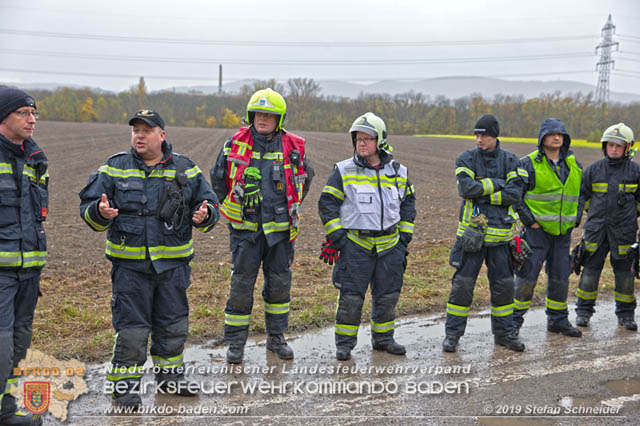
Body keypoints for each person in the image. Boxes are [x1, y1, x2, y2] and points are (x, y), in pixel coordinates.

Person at [79, 109, 219, 409]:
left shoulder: (186, 169)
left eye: (146, 130)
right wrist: (100, 213)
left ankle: (171, 379)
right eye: (135, 130)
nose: (139, 136)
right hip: (130, 269)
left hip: (173, 268)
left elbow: (210, 206)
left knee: (173, 325)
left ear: (162, 135)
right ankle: (124, 388)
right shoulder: (114, 168)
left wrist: (204, 216)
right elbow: (88, 209)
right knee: (132, 330)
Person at [210, 88, 313, 364]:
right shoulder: (235, 142)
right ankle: (235, 344)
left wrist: (287, 204)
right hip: (246, 229)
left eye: (269, 114)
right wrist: (232, 204)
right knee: (241, 286)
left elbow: (306, 178)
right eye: (258, 113)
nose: (263, 119)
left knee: (279, 287)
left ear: (279, 118)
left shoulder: (294, 145)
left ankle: (276, 338)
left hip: (280, 230)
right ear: (250, 115)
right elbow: (218, 177)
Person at [318, 112, 416, 361]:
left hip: (390, 246)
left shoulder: (399, 172)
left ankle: (383, 339)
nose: (361, 143)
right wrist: (339, 238)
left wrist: (403, 238)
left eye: (367, 139)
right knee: (350, 298)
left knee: (387, 296)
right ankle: (345, 345)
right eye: (358, 139)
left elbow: (408, 205)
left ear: (380, 141)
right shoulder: (343, 170)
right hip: (356, 246)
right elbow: (327, 204)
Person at [442, 114, 525, 353]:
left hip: (501, 240)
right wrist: (498, 183)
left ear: (495, 135)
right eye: (477, 134)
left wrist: (484, 188)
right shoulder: (465, 158)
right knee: (462, 289)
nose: (479, 139)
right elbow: (467, 189)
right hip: (471, 240)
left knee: (504, 289)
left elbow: (514, 194)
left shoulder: (511, 160)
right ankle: (452, 336)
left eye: (484, 135)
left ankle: (505, 335)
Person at [514, 118, 583, 338]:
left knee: (561, 278)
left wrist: (576, 218)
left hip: (563, 234)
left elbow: (580, 195)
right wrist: (530, 222)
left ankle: (558, 321)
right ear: (542, 138)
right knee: (526, 279)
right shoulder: (528, 163)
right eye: (552, 134)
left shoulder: (574, 165)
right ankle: (512, 325)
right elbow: (516, 197)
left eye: (560, 134)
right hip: (536, 233)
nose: (557, 137)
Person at [0, 87, 45, 426]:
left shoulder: (35, 159)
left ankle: (6, 407)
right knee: (0, 345)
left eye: (34, 114)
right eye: (24, 113)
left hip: (29, 271)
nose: (32, 120)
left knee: (19, 343)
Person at [574, 123, 639, 330]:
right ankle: (583, 312)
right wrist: (594, 217)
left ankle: (626, 316)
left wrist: (629, 215)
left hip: (624, 233)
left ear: (627, 148)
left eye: (618, 146)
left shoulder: (636, 171)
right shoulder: (593, 170)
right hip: (597, 231)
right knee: (590, 272)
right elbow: (582, 198)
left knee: (625, 275)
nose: (613, 149)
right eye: (610, 145)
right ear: (605, 146)